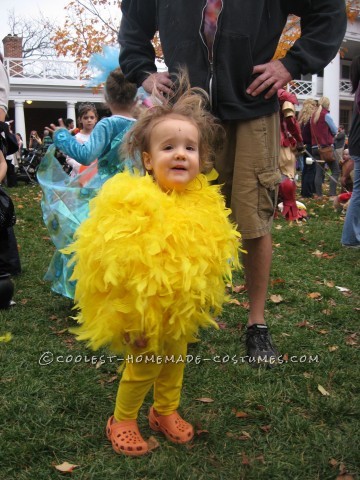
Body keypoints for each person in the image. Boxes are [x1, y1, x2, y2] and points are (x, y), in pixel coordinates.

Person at [118, 0, 347, 364]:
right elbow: (134, 23)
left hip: (252, 107)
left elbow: (328, 10)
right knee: (180, 223)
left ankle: (256, 325)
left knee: (253, 222)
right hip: (186, 113)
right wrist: (143, 71)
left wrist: (291, 63)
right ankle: (183, 318)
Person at [65, 81, 240, 457]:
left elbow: (210, 257)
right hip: (141, 313)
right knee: (144, 366)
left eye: (189, 148)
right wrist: (128, 319)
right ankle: (123, 419)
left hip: (181, 310)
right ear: (147, 159)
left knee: (175, 362)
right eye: (169, 148)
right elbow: (113, 266)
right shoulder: (131, 204)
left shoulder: (205, 204)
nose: (180, 155)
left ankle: (165, 410)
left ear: (201, 157)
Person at [37, 69, 138, 299]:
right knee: (130, 239)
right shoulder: (142, 124)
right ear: (135, 97)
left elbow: (85, 155)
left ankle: (93, 288)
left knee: (93, 238)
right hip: (137, 190)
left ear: (107, 98)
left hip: (105, 190)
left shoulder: (106, 125)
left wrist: (62, 136)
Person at [277, 89, 304, 221]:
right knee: (287, 175)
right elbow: (290, 120)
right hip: (281, 143)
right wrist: (299, 139)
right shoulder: (284, 96)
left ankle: (272, 210)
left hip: (262, 141)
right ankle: (290, 211)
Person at [341, 56, 360, 248]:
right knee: (359, 192)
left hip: (356, 144)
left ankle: (352, 236)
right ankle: (350, 238)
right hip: (358, 145)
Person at [310, 97, 340, 199]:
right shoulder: (326, 115)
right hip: (326, 148)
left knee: (318, 172)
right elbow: (335, 130)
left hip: (315, 147)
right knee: (336, 171)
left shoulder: (313, 116)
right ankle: (332, 194)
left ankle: (319, 195)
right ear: (328, 105)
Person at [64, 104, 98, 177]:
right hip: (79, 175)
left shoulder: (99, 137)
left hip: (96, 174)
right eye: (85, 118)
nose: (89, 120)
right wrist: (80, 167)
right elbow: (69, 158)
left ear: (96, 119)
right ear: (80, 120)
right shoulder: (76, 138)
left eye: (92, 117)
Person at [298, 99, 318, 198]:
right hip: (311, 146)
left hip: (304, 146)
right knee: (311, 170)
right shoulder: (312, 119)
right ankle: (308, 192)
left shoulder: (302, 119)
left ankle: (304, 191)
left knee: (306, 169)